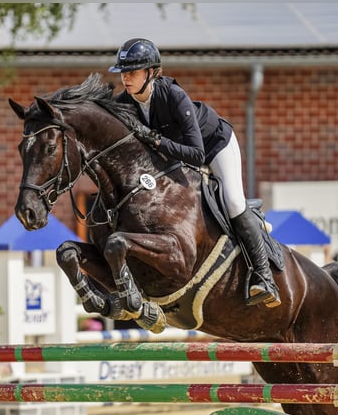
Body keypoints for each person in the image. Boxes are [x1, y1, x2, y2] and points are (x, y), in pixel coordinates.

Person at [108, 37, 280, 307]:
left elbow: (197, 153)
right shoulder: (126, 103)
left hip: (215, 145)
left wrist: (155, 141)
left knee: (233, 200)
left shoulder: (173, 96)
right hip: (179, 158)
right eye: (123, 73)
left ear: (151, 73)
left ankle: (264, 275)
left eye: (132, 72)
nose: (126, 79)